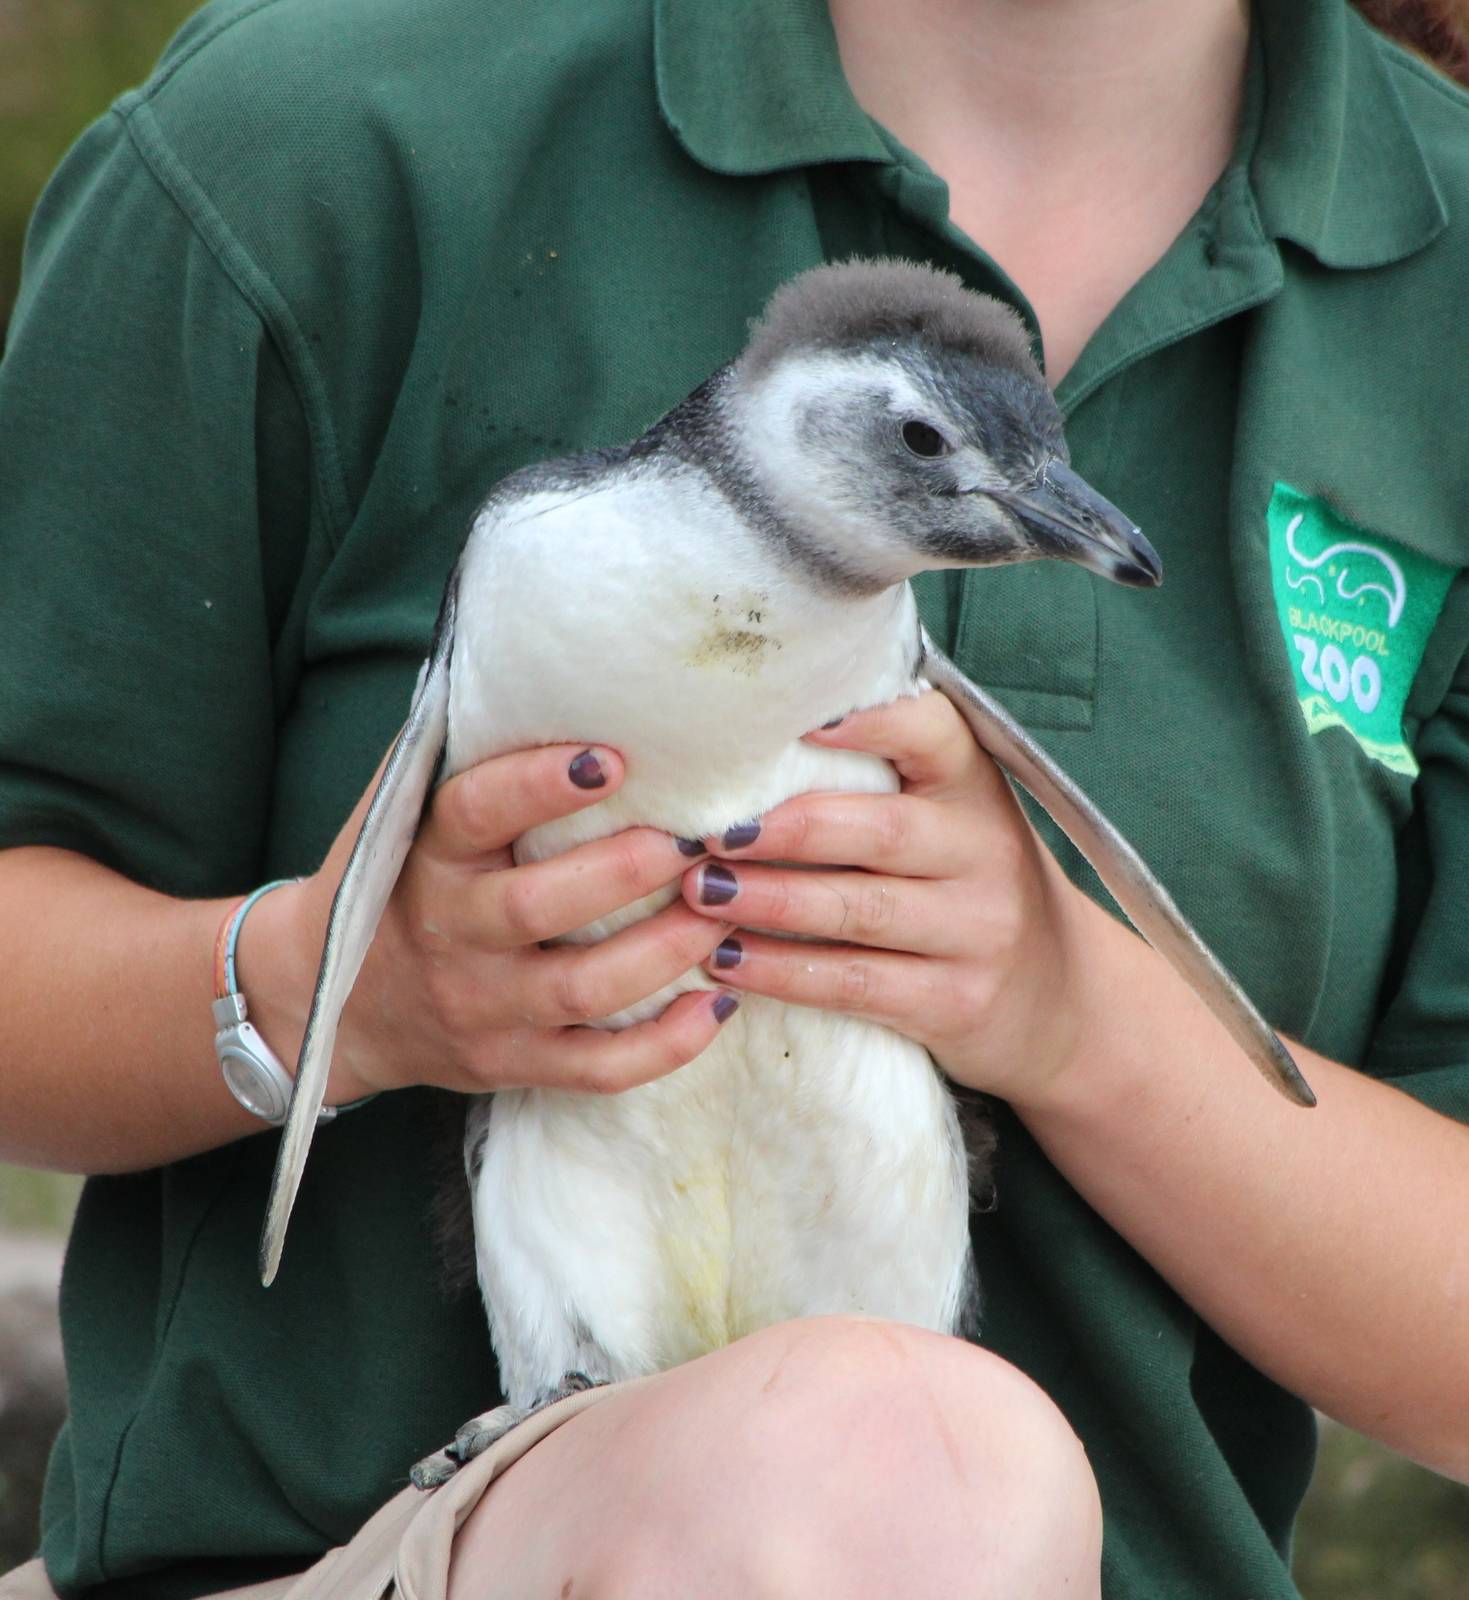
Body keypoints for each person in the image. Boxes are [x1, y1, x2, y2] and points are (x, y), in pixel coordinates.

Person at [2, 0, 1468, 1595]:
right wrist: (337, 988)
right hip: (370, 1558)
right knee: (856, 1463)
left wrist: (1067, 1010)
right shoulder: (330, 138)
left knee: (889, 1452)